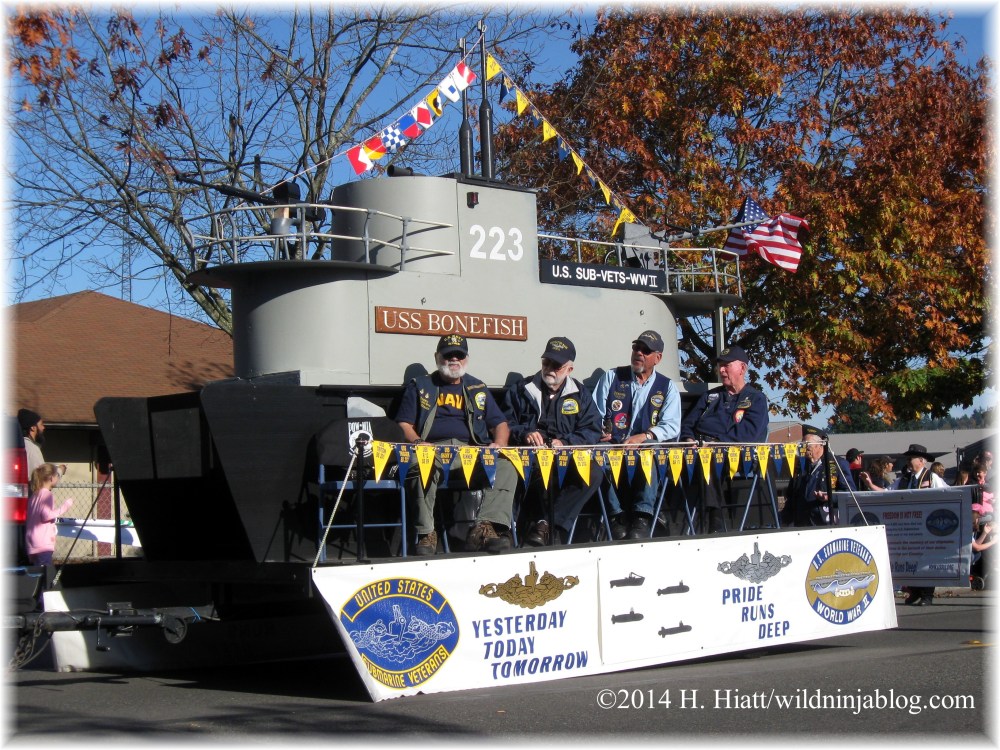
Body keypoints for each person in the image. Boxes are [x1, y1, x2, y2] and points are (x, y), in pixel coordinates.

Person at [395, 334, 518, 555]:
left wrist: (498, 444)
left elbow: (500, 423)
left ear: (466, 359)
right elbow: (404, 423)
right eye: (447, 355)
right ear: (437, 357)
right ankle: (426, 533)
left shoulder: (477, 387)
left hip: (471, 451)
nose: (453, 359)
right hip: (434, 451)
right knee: (418, 463)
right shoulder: (421, 385)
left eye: (459, 355)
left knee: (507, 465)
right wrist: (418, 442)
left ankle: (485, 528)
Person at [503, 337, 603, 546]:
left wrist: (565, 442)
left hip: (564, 455)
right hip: (528, 455)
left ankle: (548, 525)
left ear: (569, 369)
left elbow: (592, 430)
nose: (550, 369)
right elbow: (504, 423)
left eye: (557, 365)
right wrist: (525, 434)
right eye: (546, 362)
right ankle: (517, 533)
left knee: (593, 472)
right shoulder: (521, 389)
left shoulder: (581, 394)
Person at [592, 330, 681, 539]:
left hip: (646, 445)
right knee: (595, 456)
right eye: (636, 348)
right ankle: (615, 517)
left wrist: (646, 436)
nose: (638, 353)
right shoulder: (611, 377)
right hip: (613, 445)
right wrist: (599, 431)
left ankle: (643, 516)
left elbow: (672, 425)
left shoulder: (667, 387)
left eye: (645, 350)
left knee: (652, 453)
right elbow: (594, 414)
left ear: (657, 358)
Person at [678, 345, 770, 532]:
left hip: (736, 453)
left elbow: (749, 434)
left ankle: (715, 517)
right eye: (720, 365)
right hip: (698, 448)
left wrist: (714, 444)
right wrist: (688, 439)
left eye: (726, 365)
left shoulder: (756, 399)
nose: (721, 370)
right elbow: (687, 424)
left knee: (711, 456)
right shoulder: (711, 396)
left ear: (742, 368)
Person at [780, 426, 857, 526]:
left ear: (820, 445)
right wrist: (784, 519)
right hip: (801, 525)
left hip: (827, 523)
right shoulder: (799, 466)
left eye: (808, 444)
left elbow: (851, 494)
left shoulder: (838, 464)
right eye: (802, 444)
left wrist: (829, 497)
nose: (804, 447)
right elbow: (791, 495)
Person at [25, 463, 73, 566]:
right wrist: (65, 506)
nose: (58, 478)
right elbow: (46, 515)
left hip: (31, 542)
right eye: (57, 476)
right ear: (51, 478)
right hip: (43, 543)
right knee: (46, 574)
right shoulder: (47, 495)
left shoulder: (34, 496)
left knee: (36, 574)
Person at [859, 444, 947, 491]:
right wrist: (869, 484)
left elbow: (943, 495)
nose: (907, 462)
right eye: (907, 459)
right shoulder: (904, 479)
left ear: (921, 460)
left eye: (910, 459)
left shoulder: (932, 477)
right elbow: (886, 492)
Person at [18, 408, 66, 478]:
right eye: (41, 424)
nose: (43, 427)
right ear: (33, 428)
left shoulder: (20, 446)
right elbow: (43, 479)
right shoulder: (33, 449)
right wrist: (60, 470)